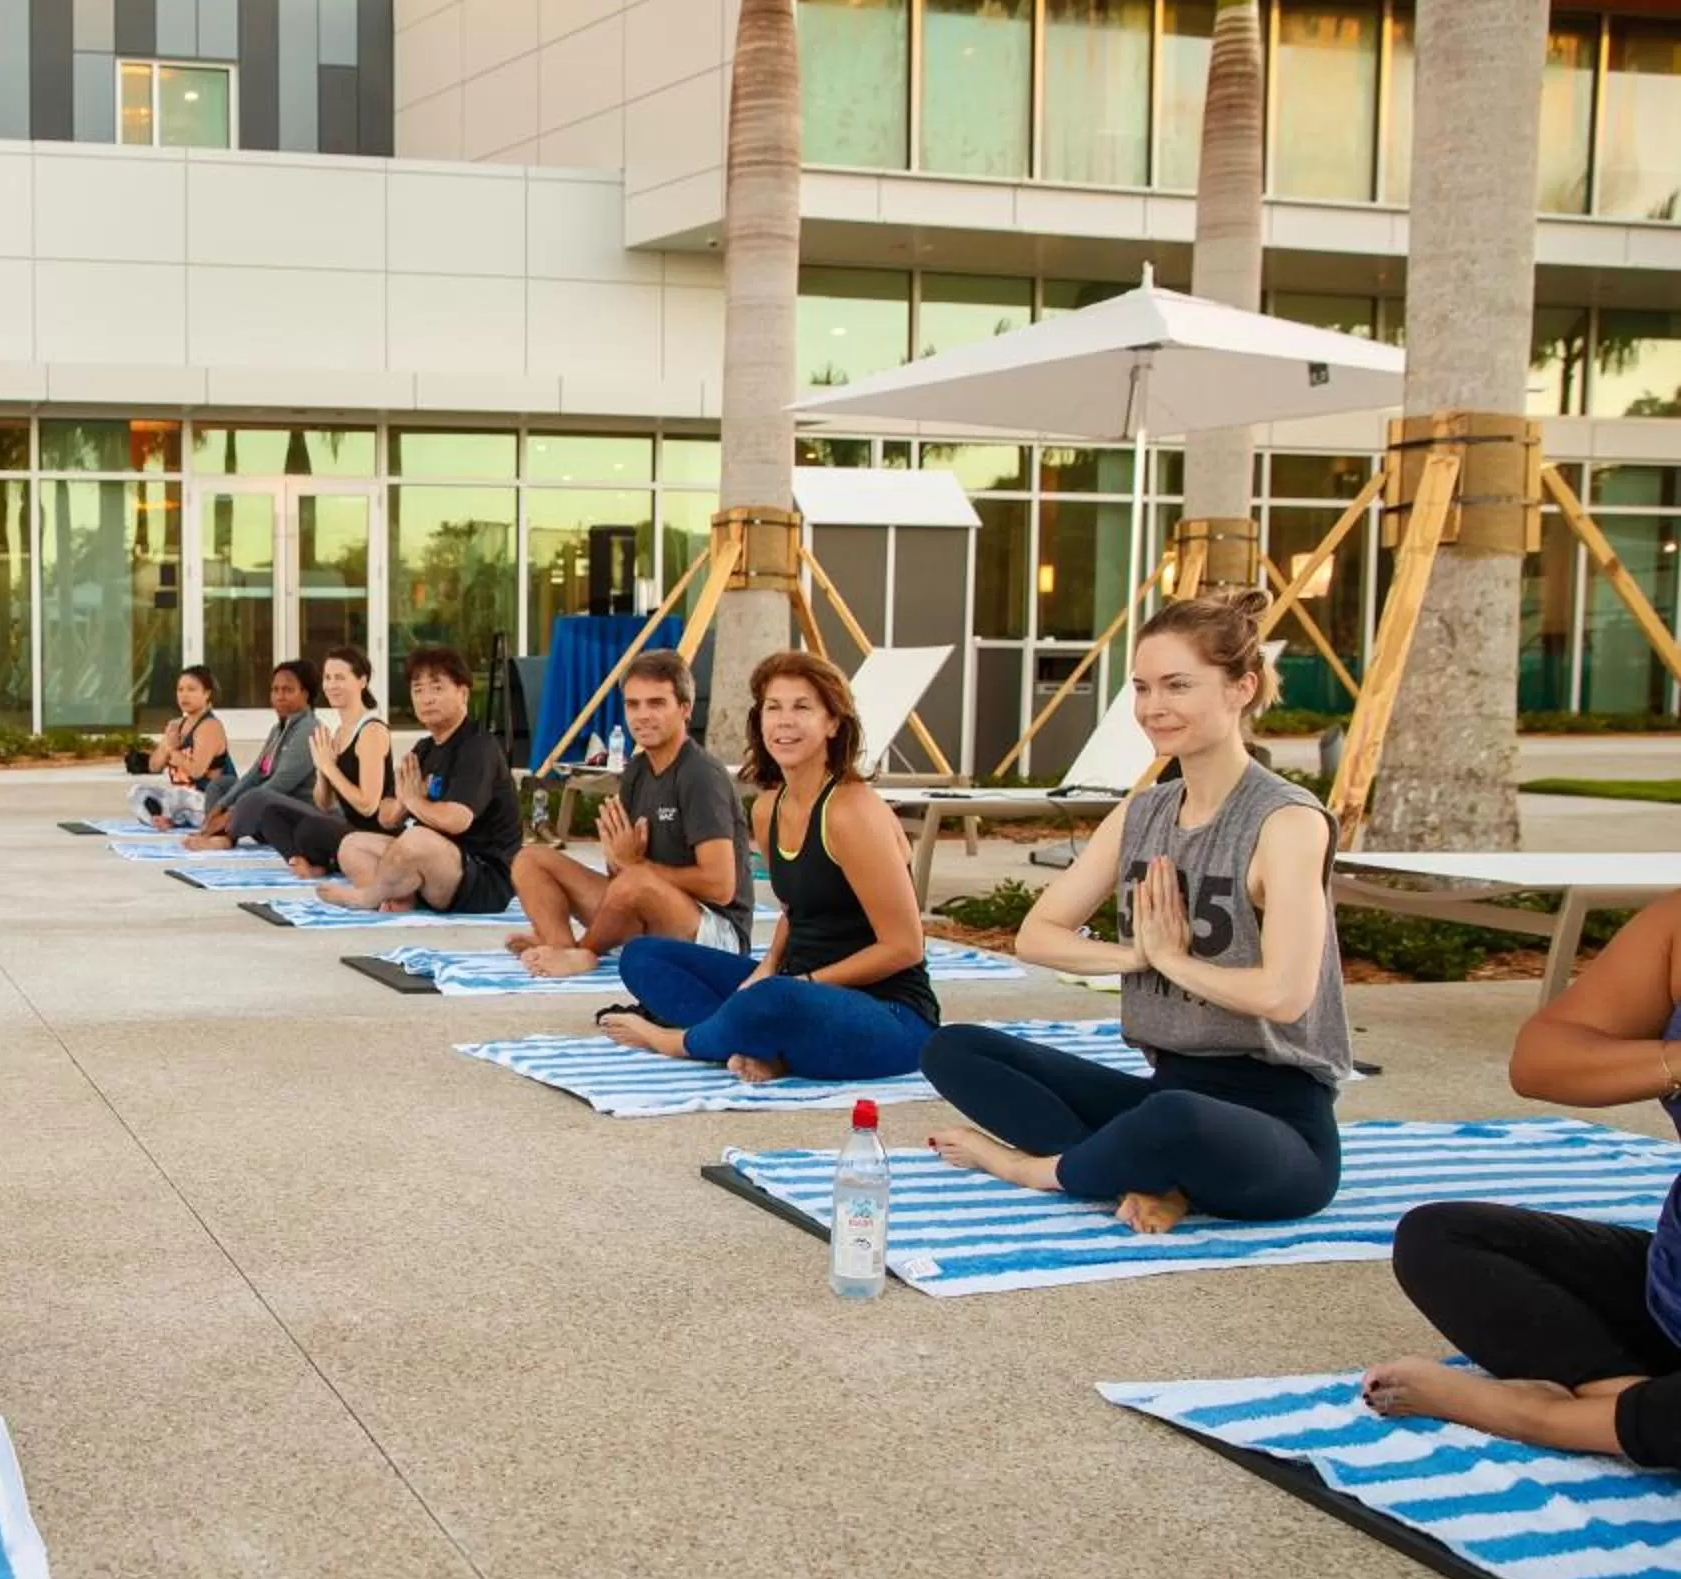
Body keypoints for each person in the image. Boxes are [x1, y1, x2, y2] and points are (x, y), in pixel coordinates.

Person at [920, 589, 1353, 1235]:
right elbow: (1038, 936)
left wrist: (1173, 961)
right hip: (1166, 1091)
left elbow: (1284, 996)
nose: (1154, 707)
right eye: (1143, 688)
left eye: (1178, 685)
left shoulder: (1285, 820)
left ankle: (1038, 1170)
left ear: (1241, 688)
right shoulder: (1143, 812)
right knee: (954, 1049)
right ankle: (1146, 1176)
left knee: (1172, 1119)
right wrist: (1137, 955)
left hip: (1277, 1127)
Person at [1362, 891, 1681, 1469]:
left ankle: (1541, 1416)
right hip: (1670, 1290)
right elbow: (1541, 1060)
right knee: (1440, 1237)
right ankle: (1619, 1396)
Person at [600, 652, 938, 1082]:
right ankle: (762, 1045)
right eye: (773, 707)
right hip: (795, 989)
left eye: (802, 707)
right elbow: (793, 913)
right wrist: (766, 969)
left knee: (773, 999)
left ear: (833, 723)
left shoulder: (852, 812)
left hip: (888, 1015)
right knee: (643, 957)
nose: (784, 721)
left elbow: (906, 947)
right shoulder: (767, 809)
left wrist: (801, 984)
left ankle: (680, 1041)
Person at [505, 649, 750, 978]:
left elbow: (721, 885)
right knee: (530, 859)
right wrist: (617, 858)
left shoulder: (701, 775)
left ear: (685, 709)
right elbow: (621, 884)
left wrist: (636, 867)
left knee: (635, 880)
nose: (642, 715)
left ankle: (583, 953)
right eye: (633, 705)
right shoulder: (637, 771)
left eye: (656, 703)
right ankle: (558, 945)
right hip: (647, 908)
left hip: (714, 935)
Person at [318, 646, 523, 916]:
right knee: (352, 846)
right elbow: (385, 817)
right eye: (418, 690)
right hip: (437, 865)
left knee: (417, 839)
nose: (427, 699)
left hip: (481, 878)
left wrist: (414, 801)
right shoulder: (423, 749)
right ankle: (402, 898)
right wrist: (404, 802)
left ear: (463, 693)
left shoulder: (478, 747)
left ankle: (368, 897)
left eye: (437, 688)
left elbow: (457, 820)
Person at [236, 646, 395, 877]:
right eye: (328, 678)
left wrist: (330, 767)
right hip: (343, 828)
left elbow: (368, 805)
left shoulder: (371, 731)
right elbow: (324, 803)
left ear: (362, 681)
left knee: (309, 829)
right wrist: (322, 771)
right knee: (272, 815)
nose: (331, 685)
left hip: (371, 835)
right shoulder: (338, 733)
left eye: (340, 677)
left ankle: (328, 862)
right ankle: (302, 861)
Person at [186, 659, 318, 851]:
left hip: (293, 819)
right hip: (266, 808)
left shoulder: (309, 729)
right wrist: (220, 806)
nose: (280, 696)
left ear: (305, 694)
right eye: (275, 690)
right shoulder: (277, 730)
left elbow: (280, 784)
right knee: (221, 785)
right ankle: (221, 837)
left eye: (288, 690)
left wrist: (230, 814)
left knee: (256, 795)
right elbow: (256, 773)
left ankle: (224, 833)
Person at [128, 665, 238, 827]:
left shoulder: (210, 726)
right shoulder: (176, 725)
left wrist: (173, 751)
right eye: (180, 690)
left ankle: (172, 818)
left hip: (210, 803)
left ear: (207, 694)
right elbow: (154, 767)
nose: (184, 695)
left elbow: (197, 771)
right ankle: (161, 820)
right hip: (180, 801)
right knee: (137, 793)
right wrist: (166, 745)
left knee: (181, 796)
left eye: (191, 689)